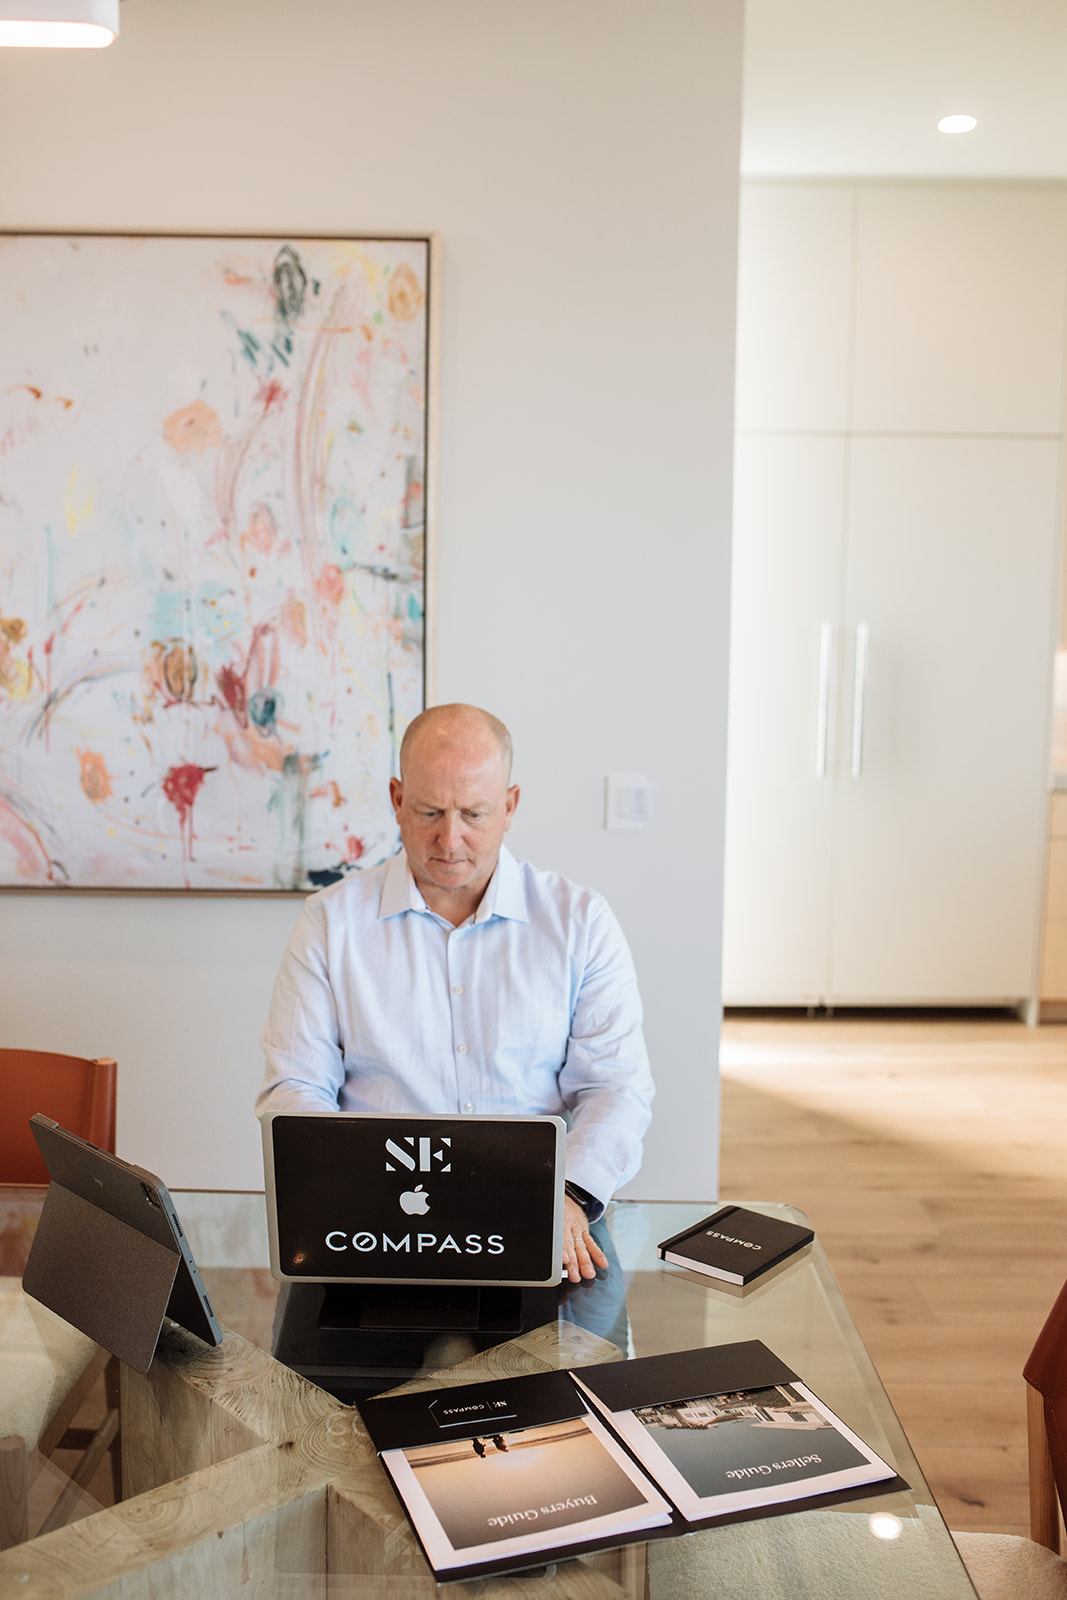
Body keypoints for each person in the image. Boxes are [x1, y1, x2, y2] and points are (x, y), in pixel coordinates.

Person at [256, 702, 653, 1284]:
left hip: (540, 1221)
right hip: (375, 1229)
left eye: (474, 812)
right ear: (396, 799)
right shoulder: (329, 922)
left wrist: (570, 1197)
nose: (451, 838)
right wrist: (342, 1198)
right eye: (428, 811)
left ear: (510, 806)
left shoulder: (581, 922)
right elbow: (295, 1088)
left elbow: (614, 1087)